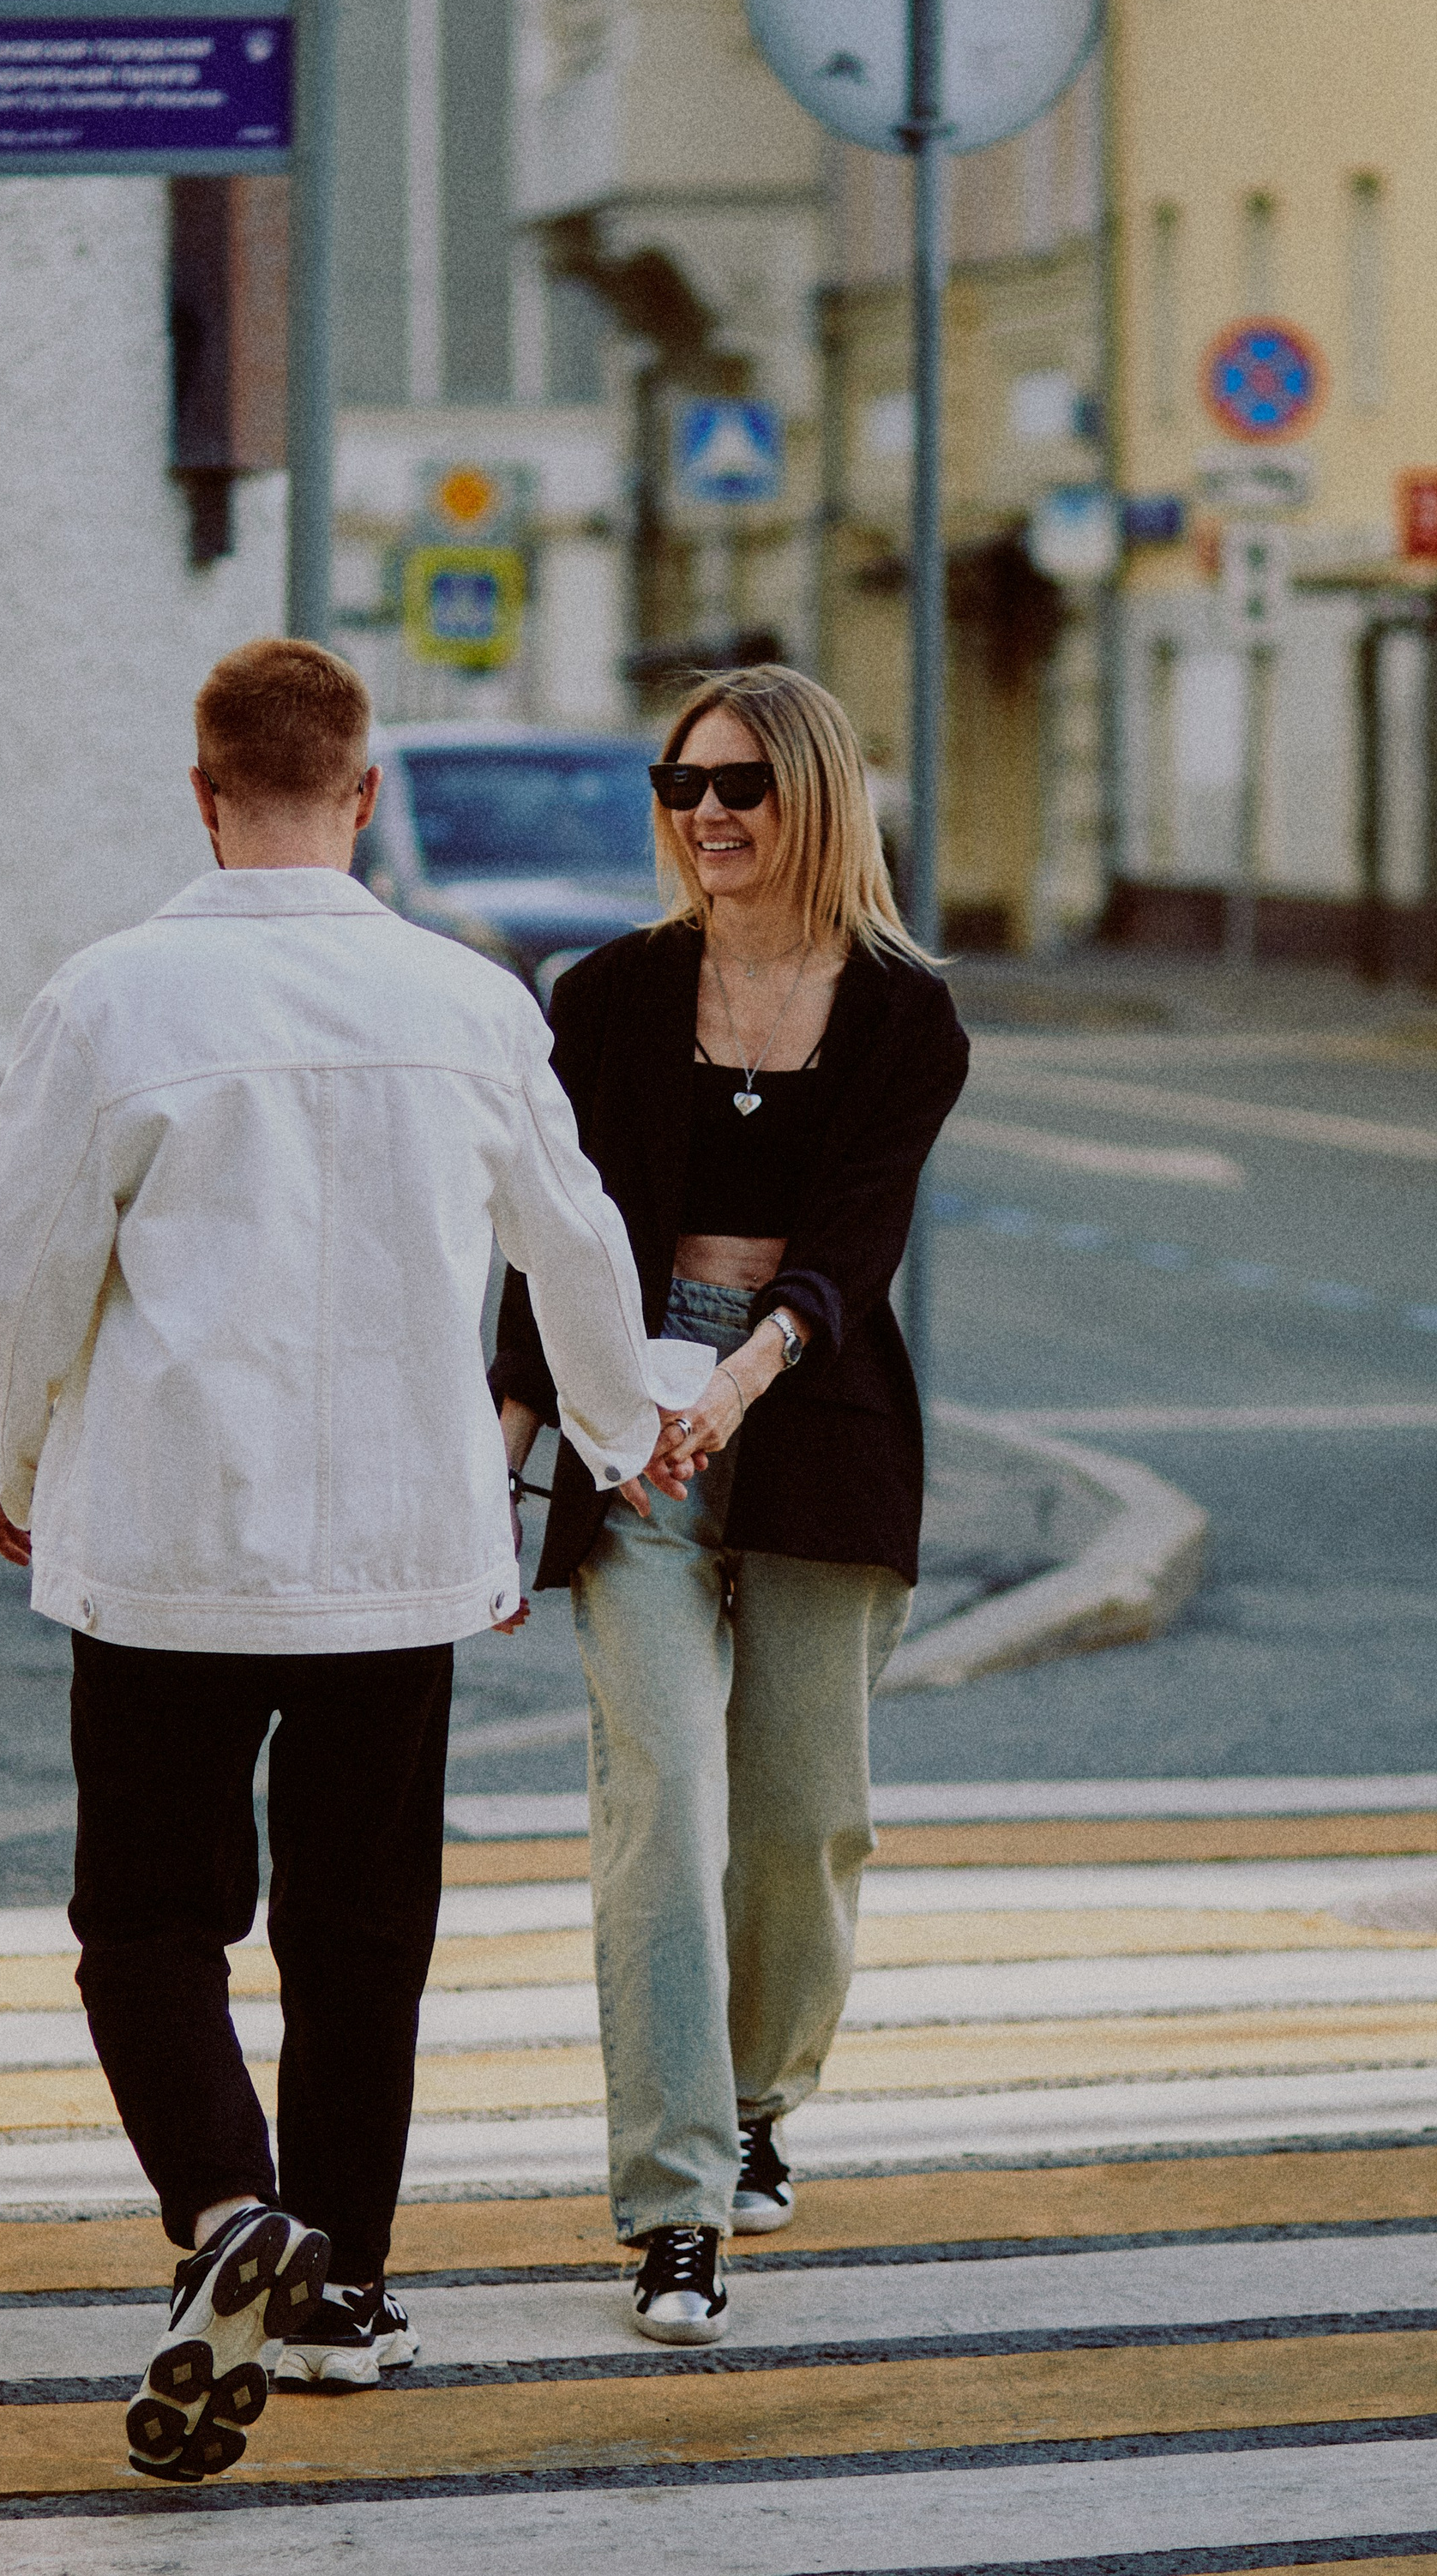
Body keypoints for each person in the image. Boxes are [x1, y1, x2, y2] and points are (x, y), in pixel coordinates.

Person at [0, 638, 709, 2483]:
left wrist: (8, 1457)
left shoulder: (106, 1001)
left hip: (169, 1536)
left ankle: (220, 2212)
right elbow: (574, 1245)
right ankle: (338, 2291)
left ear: (199, 791)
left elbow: (15, 1267)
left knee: (149, 1920)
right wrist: (611, 1426)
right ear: (362, 797)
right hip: (400, 1549)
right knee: (363, 1935)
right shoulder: (465, 998)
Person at [491, 664, 969, 2344]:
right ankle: (673, 2203)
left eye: (740, 788)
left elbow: (853, 1242)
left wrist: (740, 1378)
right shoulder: (605, 993)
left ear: (812, 800)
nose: (704, 816)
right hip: (630, 1417)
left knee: (796, 1819)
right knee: (659, 1815)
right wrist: (512, 1441)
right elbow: (548, 1240)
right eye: (680, 784)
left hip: (810, 1410)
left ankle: (760, 2095)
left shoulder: (905, 1013)